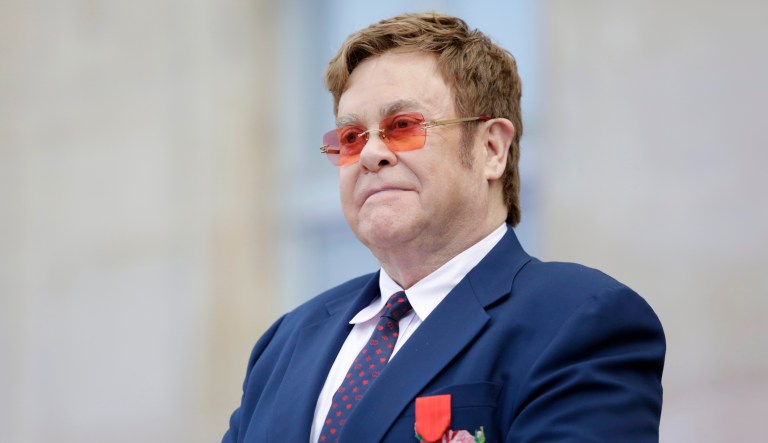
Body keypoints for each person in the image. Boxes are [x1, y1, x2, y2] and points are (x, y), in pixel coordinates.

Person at [222, 12, 665, 443]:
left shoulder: (578, 319)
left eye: (402, 127)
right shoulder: (286, 342)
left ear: (492, 148)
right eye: (352, 137)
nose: (371, 154)